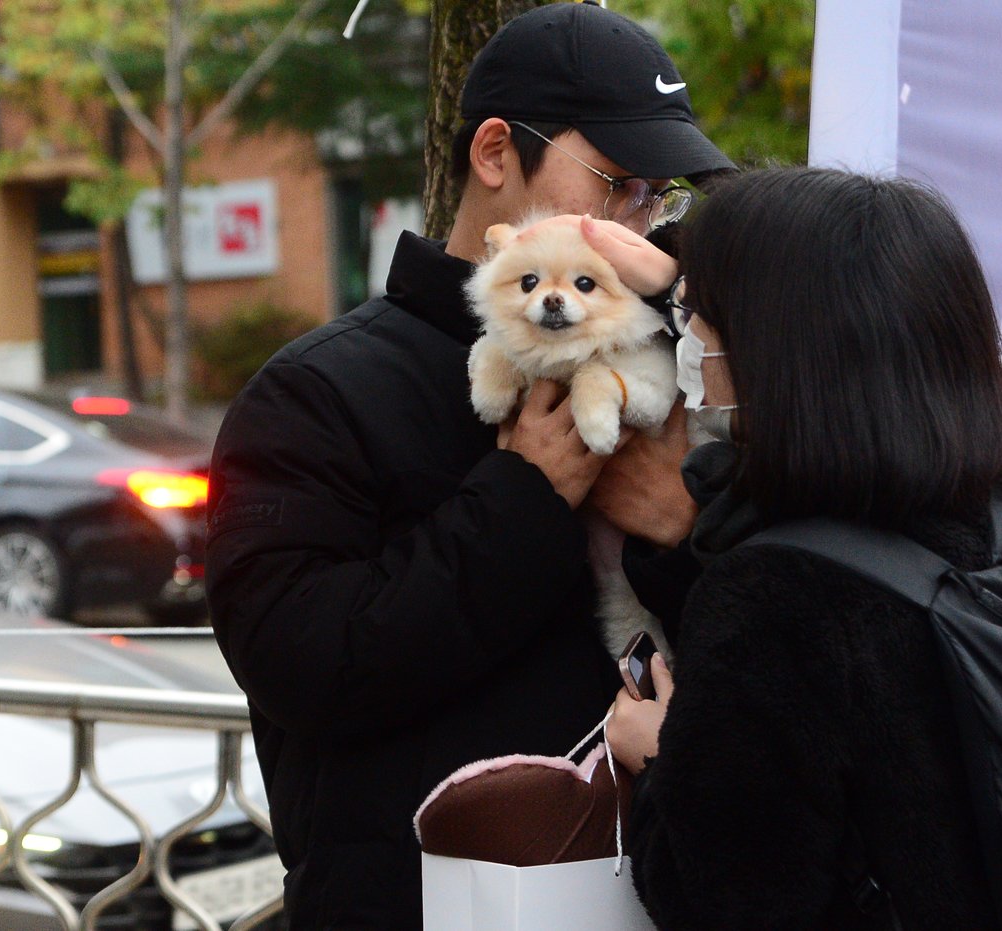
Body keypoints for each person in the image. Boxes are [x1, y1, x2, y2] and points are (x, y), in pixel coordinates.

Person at [203, 3, 733, 927]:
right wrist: (524, 497)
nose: (636, 223)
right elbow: (303, 665)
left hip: (655, 889)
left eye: (659, 194)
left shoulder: (688, 365)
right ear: (495, 155)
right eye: (616, 181)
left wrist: (689, 533)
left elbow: (764, 637)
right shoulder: (315, 395)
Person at [603, 168, 1002, 929]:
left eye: (706, 316)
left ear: (784, 349)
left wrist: (663, 762)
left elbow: (722, 898)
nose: (689, 340)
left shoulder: (773, 593)